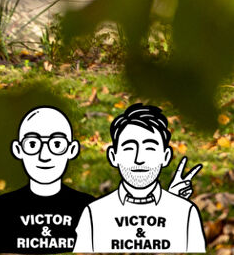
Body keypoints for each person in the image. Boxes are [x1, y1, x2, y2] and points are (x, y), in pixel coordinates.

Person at [73, 104, 203, 253]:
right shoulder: (95, 214)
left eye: (150, 148)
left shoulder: (186, 213)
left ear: (166, 156)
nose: (139, 159)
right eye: (129, 148)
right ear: (113, 156)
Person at [0, 107, 96, 253]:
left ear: (72, 149)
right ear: (18, 150)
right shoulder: (3, 209)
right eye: (32, 144)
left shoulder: (88, 209)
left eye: (56, 144)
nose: (44, 156)